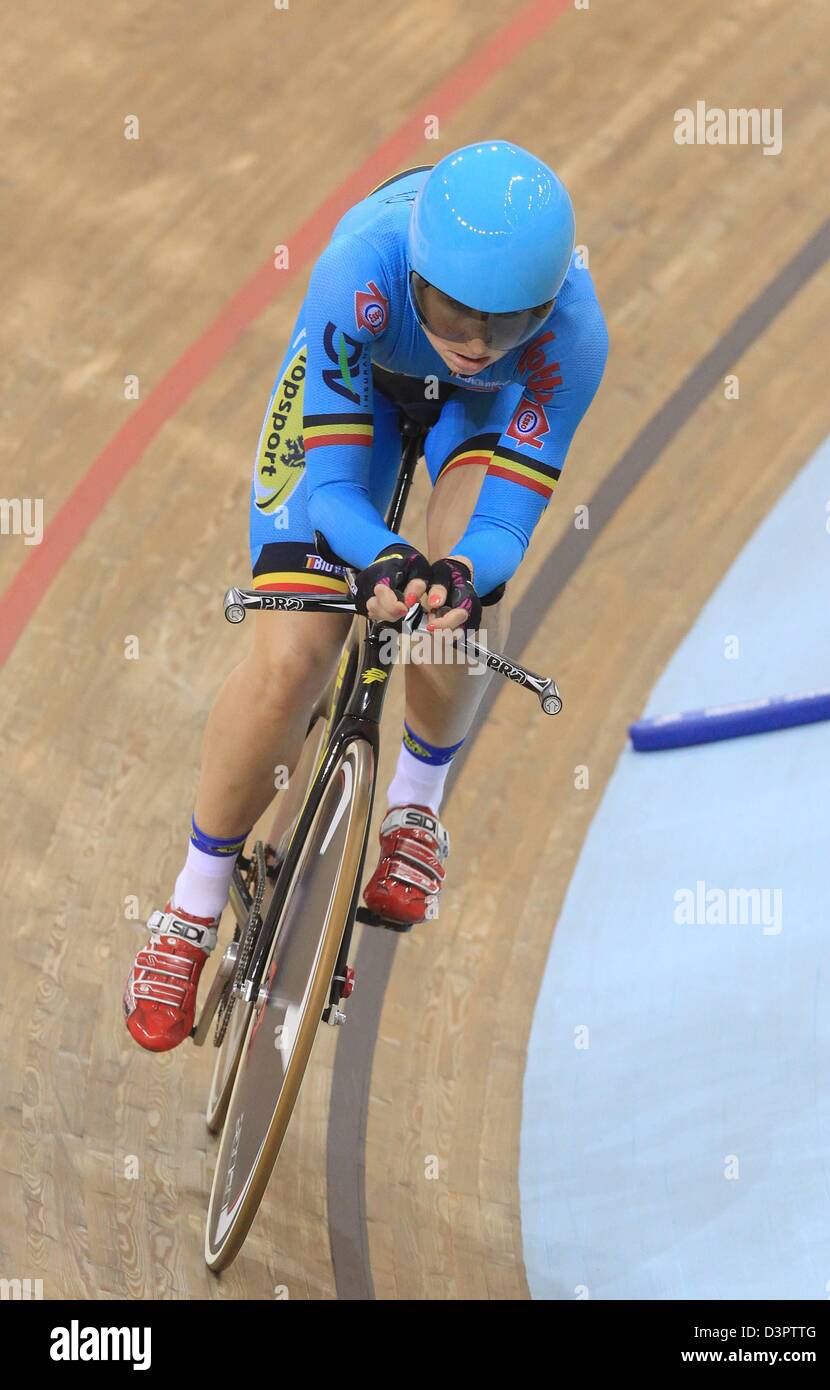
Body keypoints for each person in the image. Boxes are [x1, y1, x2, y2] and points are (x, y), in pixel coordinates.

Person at [124, 140, 608, 1051]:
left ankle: (417, 807)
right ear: (418, 276)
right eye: (457, 314)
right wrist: (382, 558)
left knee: (458, 602)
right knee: (293, 658)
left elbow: (504, 525)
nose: (474, 344)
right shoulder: (361, 274)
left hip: (481, 422)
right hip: (358, 395)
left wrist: (455, 575)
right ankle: (187, 913)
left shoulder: (573, 339)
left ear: (547, 307)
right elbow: (338, 494)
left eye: (507, 327)